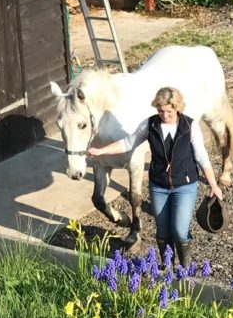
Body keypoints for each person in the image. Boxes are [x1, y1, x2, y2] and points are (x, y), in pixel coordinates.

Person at [86, 86, 222, 267]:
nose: (164, 115)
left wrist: (213, 184)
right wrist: (101, 151)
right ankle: (167, 267)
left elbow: (201, 157)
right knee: (163, 231)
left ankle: (184, 268)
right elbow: (127, 143)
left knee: (180, 230)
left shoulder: (189, 126)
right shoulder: (150, 125)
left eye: (169, 112)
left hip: (185, 186)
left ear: (178, 108)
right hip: (159, 186)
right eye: (160, 111)